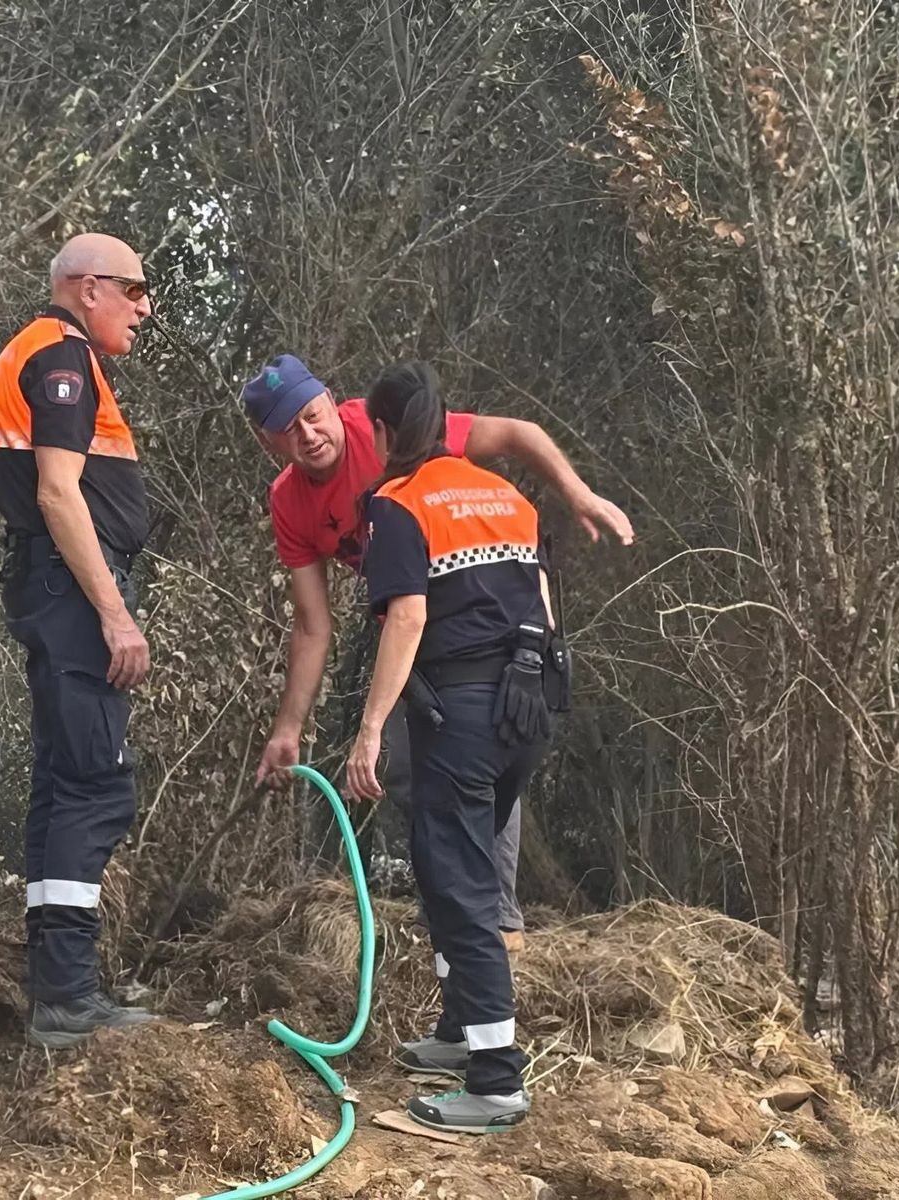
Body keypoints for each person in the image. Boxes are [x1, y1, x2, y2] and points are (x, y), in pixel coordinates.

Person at [241, 353, 632, 948]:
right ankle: (453, 911)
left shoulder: (381, 425)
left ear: (330, 402)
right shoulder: (290, 501)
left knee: (474, 753)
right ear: (268, 441)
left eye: (313, 416)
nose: (309, 435)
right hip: (412, 614)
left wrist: (577, 494)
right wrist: (288, 727)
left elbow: (517, 433)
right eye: (288, 431)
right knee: (410, 765)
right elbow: (313, 625)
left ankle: (494, 920)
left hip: (478, 603)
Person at [346, 361, 564, 1134]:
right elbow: (539, 597)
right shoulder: (504, 495)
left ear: (380, 433)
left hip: (463, 710)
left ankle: (497, 1079)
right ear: (445, 428)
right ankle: (455, 1034)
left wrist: (370, 728)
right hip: (528, 708)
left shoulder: (399, 505)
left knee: (461, 883)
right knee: (452, 870)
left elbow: (406, 617)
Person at [0, 232, 157, 1046]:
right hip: (71, 588)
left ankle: (60, 986)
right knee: (95, 785)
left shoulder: (46, 351)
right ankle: (66, 1000)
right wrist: (114, 613)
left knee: (61, 782)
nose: (143, 306)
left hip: (49, 585)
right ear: (88, 288)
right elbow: (59, 494)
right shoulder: (60, 358)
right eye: (133, 288)